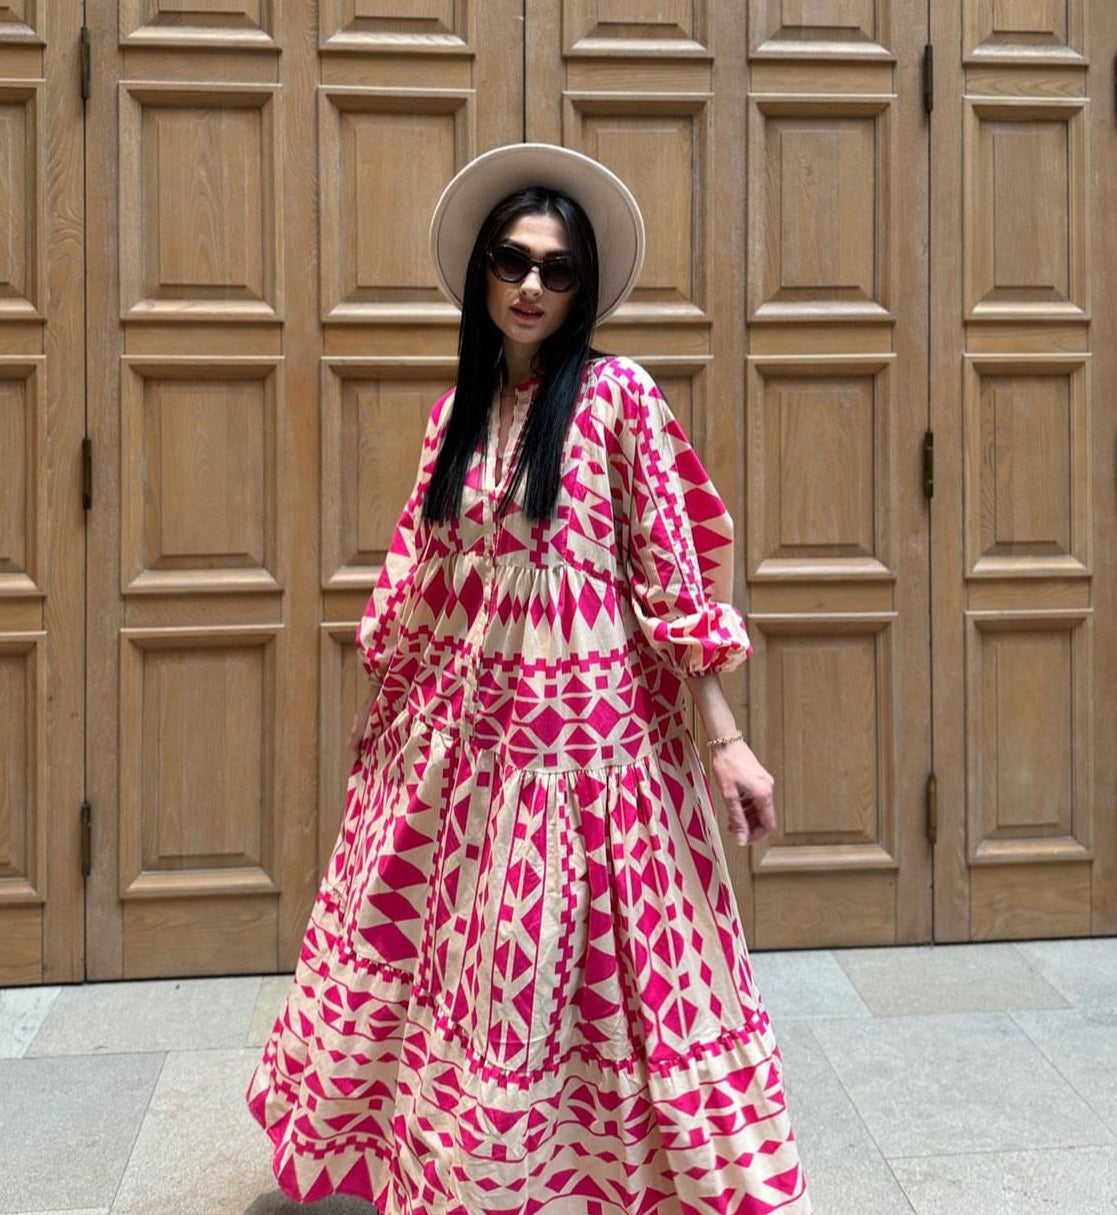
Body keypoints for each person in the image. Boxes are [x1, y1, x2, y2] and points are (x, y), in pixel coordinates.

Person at [247, 143, 811, 1214]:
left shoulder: (617, 397)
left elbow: (671, 576)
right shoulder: (457, 414)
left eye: (557, 269)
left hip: (594, 764)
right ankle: (475, 1181)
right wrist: (391, 728)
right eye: (512, 260)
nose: (531, 286)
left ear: (581, 287)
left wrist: (726, 739)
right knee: (473, 982)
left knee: (584, 985)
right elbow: (423, 578)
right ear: (483, 271)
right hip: (471, 759)